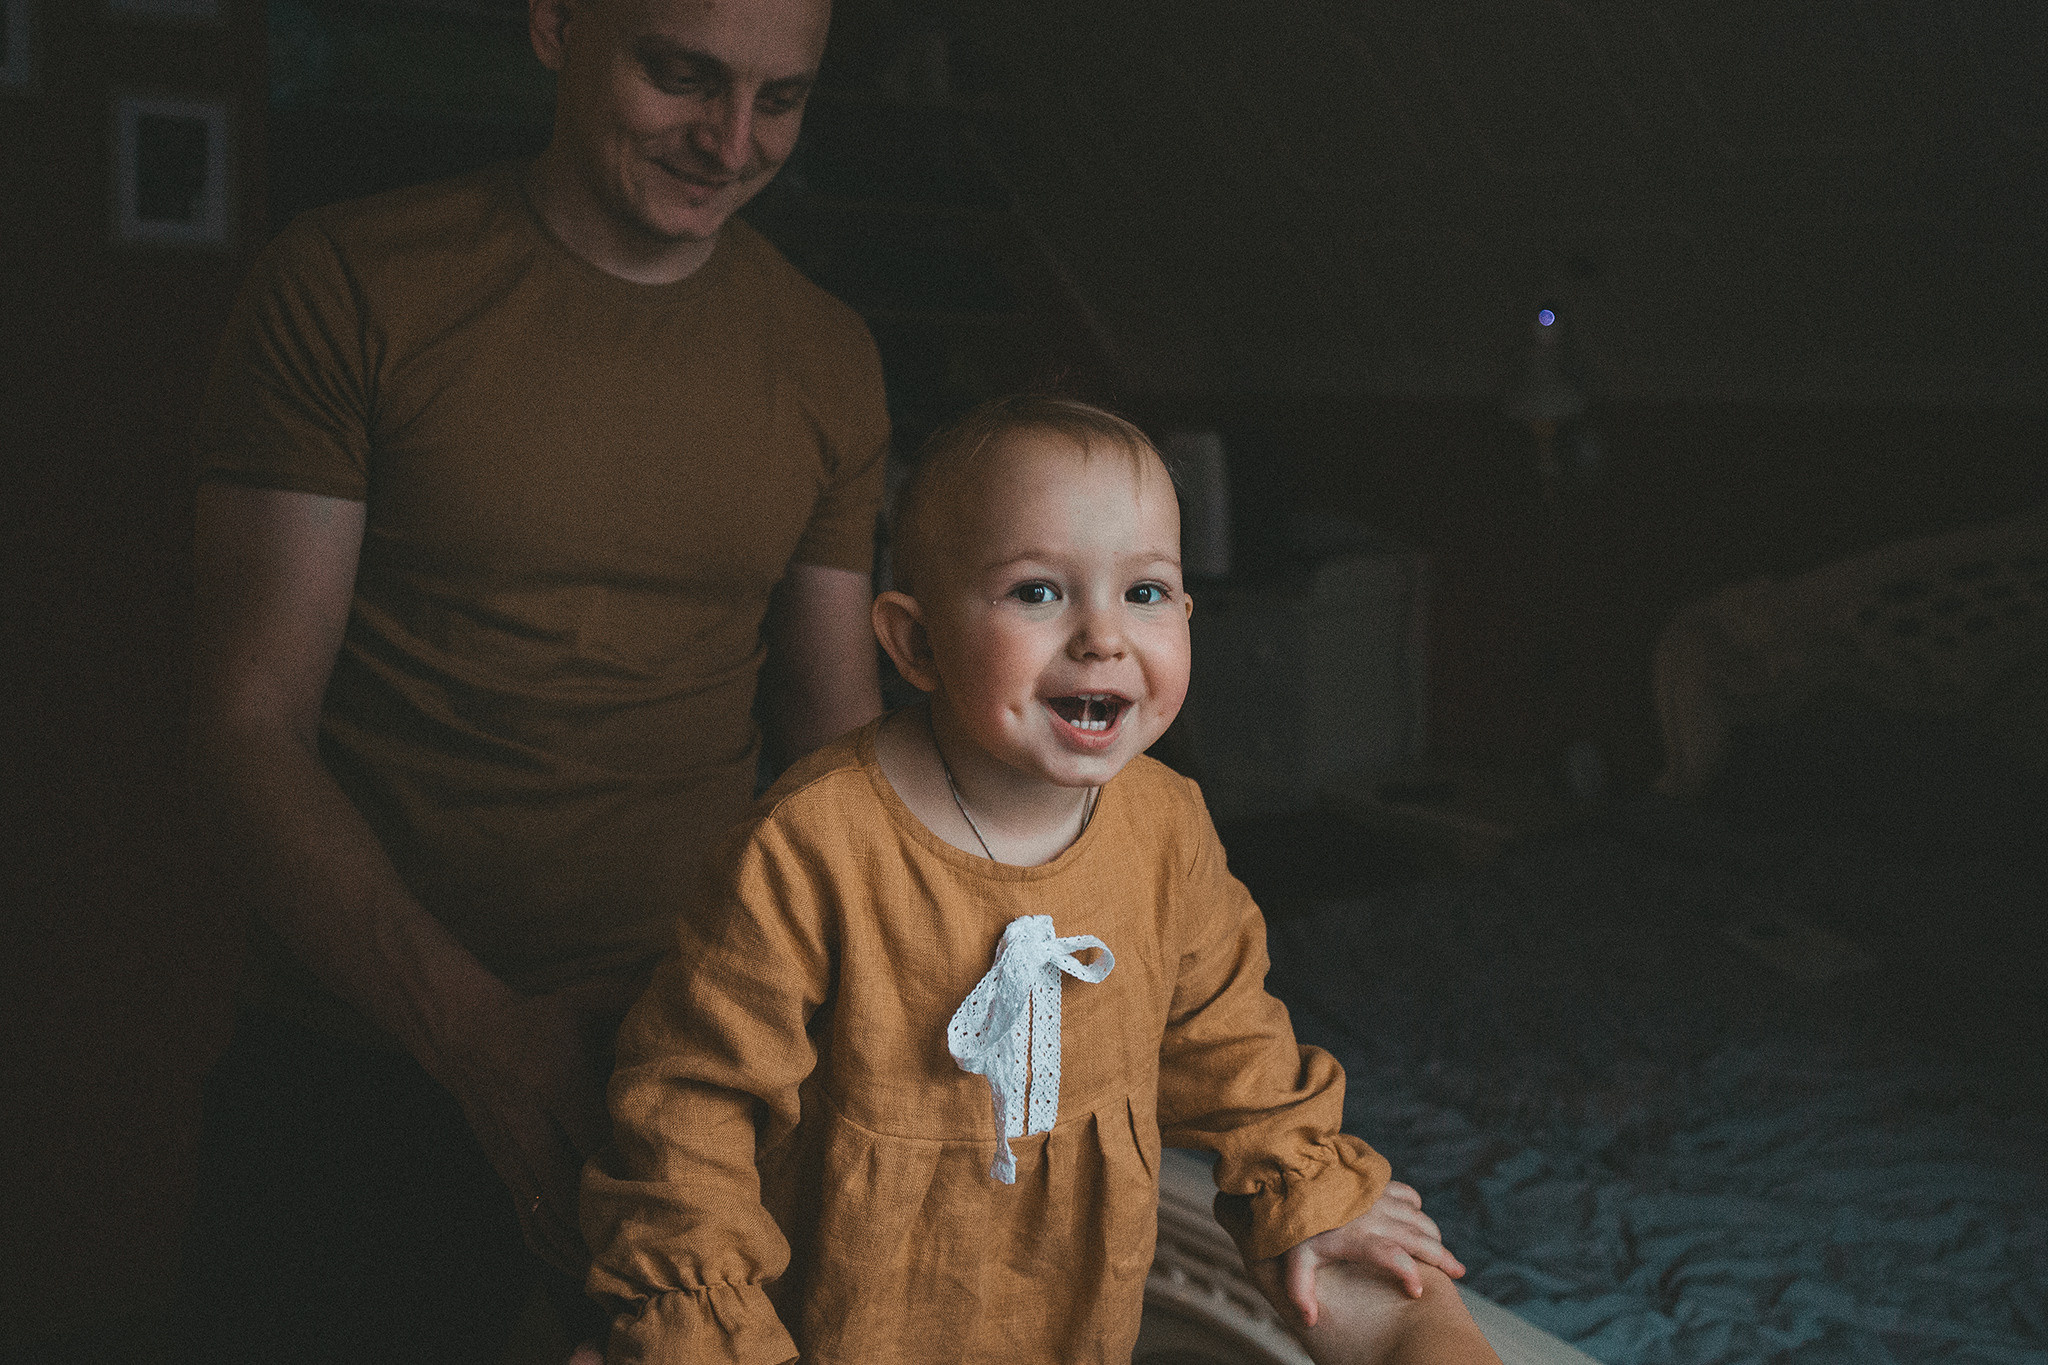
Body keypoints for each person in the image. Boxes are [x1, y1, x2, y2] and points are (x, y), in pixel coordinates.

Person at [177, 0, 885, 1358]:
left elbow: (836, 750)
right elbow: (247, 726)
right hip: (358, 1056)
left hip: (683, 1086)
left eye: (780, 102)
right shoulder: (350, 282)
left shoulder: (828, 354)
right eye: (681, 76)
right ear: (557, 26)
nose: (730, 144)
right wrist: (481, 1040)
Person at [580, 396, 1500, 1363]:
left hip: (1066, 1317)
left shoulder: (1165, 828)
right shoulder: (814, 843)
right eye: (1037, 592)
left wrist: (1304, 1191)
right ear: (916, 643)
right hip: (835, 1320)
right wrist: (699, 1317)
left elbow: (1230, 1044)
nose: (1102, 636)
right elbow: (689, 1111)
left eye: (1145, 592)